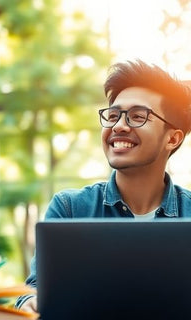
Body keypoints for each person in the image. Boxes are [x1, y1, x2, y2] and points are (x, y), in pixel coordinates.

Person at [15, 59, 191, 313]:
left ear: (172, 138)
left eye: (137, 116)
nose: (118, 125)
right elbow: (33, 292)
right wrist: (31, 303)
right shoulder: (70, 209)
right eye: (112, 116)